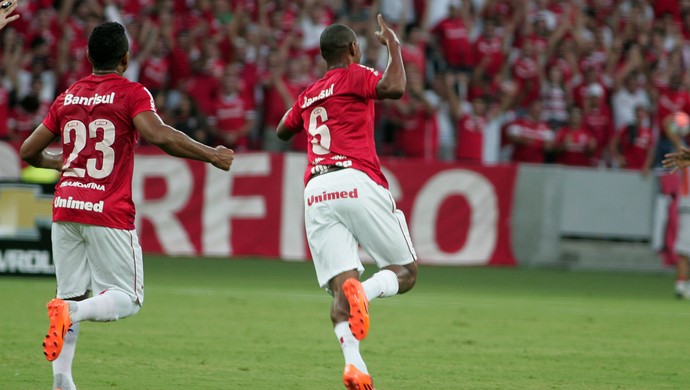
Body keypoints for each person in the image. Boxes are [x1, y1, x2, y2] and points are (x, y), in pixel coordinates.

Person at [19, 22, 234, 390]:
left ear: (88, 57)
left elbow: (27, 151)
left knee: (69, 291)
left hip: (66, 207)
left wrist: (59, 162)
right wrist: (210, 154)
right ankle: (71, 313)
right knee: (127, 298)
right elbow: (158, 134)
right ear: (126, 59)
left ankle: (61, 380)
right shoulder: (131, 93)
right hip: (106, 209)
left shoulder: (68, 96)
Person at [276, 15, 418, 390]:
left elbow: (281, 130)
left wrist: (307, 114)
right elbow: (395, 87)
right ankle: (366, 293)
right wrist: (394, 47)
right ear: (353, 50)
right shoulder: (354, 75)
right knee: (404, 270)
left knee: (341, 288)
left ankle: (355, 365)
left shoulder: (309, 92)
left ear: (323, 56)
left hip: (316, 191)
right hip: (355, 179)